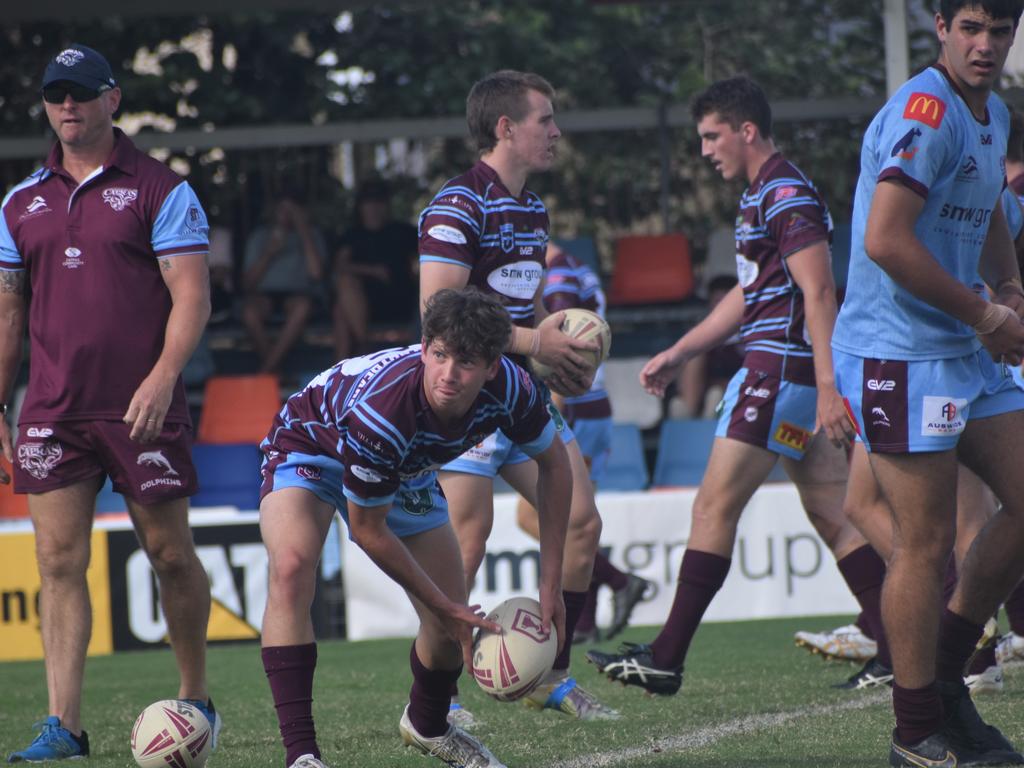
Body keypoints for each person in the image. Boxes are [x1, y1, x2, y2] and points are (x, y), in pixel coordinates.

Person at [587, 76, 889, 695]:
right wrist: (681, 349)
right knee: (834, 514)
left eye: (711, 135)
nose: (704, 150)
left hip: (777, 375)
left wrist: (831, 386)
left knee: (712, 508)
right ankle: (893, 645)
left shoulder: (784, 193)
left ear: (746, 130)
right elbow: (751, 294)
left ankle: (667, 656)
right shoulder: (763, 193)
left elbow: (820, 290)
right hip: (790, 379)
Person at [0, 44, 219, 761]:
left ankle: (195, 700)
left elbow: (192, 295)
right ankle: (64, 725)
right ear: (45, 105)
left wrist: (163, 376)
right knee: (58, 560)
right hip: (53, 410)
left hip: (141, 406)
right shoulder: (19, 201)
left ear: (113, 99)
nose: (70, 106)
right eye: (57, 95)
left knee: (169, 553)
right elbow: (7, 313)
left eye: (83, 94)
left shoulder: (163, 189)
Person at [258, 287, 572, 768]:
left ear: (492, 366)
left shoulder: (513, 388)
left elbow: (555, 467)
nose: (448, 374)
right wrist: (443, 604)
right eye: (440, 355)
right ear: (425, 348)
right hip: (311, 442)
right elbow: (367, 528)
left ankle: (428, 725)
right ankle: (302, 755)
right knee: (291, 567)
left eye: (465, 362)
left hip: (403, 467)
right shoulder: (385, 412)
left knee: (450, 632)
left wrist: (552, 583)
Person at [828, 0, 1024, 763]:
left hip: (963, 343)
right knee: (926, 543)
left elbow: (989, 212)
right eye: (970, 28)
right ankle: (915, 733)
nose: (985, 45)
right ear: (939, 26)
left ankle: (944, 682)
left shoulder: (992, 110)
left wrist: (1007, 282)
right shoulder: (924, 109)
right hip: (899, 352)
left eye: (1000, 31)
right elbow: (884, 241)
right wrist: (987, 316)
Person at [418, 70, 617, 723]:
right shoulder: (456, 205)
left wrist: (558, 355)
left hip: (519, 394)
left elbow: (523, 304)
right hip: (464, 399)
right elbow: (438, 313)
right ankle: (436, 701)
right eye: (545, 120)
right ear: (506, 127)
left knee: (582, 522)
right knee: (463, 544)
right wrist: (535, 343)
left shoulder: (531, 208)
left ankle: (553, 677)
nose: (556, 132)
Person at [513, 242, 651, 645]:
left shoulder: (557, 277)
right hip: (592, 406)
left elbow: (565, 346)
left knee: (550, 519)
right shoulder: (579, 267)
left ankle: (619, 581)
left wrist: (553, 413)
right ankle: (586, 625)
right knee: (575, 520)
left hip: (572, 405)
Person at [332, 178, 419, 361]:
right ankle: (362, 346)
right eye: (369, 203)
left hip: (397, 297)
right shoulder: (352, 234)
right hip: (362, 301)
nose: (374, 208)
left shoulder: (403, 232)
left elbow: (419, 264)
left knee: (341, 310)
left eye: (379, 202)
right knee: (344, 295)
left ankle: (342, 368)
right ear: (360, 207)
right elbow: (339, 265)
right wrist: (371, 270)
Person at [241, 192, 327, 374]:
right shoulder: (260, 236)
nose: (287, 216)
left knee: (301, 307)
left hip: (300, 294)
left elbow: (316, 273)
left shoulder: (313, 235)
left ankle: (266, 371)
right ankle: (274, 368)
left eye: (292, 211)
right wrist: (269, 253)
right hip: (265, 295)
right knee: (249, 313)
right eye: (283, 210)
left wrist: (303, 231)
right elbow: (247, 283)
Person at [667, 274, 744, 419]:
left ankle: (712, 410)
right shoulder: (700, 336)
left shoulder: (750, 335)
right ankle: (687, 413)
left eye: (726, 302)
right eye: (717, 301)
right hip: (703, 394)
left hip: (738, 394)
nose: (721, 306)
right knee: (694, 355)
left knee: (716, 394)